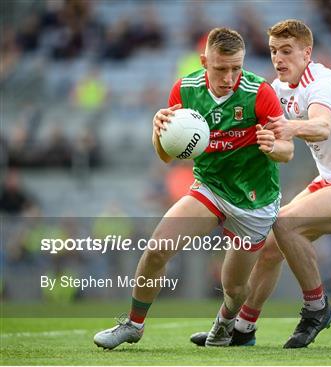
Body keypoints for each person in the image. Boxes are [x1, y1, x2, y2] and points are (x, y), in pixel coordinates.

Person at [191, 19, 331, 348]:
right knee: (271, 241)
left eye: (286, 51)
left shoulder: (320, 81)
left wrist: (288, 127)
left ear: (306, 52)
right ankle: (243, 328)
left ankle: (317, 308)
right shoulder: (280, 88)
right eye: (272, 51)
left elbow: (321, 127)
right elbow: (271, 135)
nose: (278, 59)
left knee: (286, 224)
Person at [93, 27, 293, 349]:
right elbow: (166, 157)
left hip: (254, 202)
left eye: (236, 68)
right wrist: (157, 132)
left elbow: (288, 151)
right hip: (210, 189)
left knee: (234, 288)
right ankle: (133, 324)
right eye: (221, 68)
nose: (229, 77)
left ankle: (225, 324)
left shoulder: (259, 92)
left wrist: (273, 146)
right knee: (157, 249)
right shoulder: (185, 91)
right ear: (204, 62)